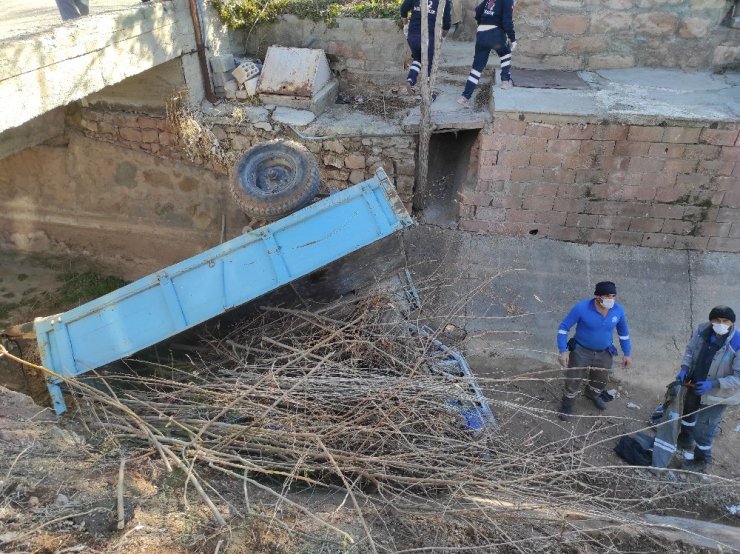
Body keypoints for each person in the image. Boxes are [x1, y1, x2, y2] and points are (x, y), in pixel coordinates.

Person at [673, 305, 740, 472]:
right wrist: (684, 368)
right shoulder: (703, 330)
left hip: (719, 393)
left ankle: (702, 459)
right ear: (711, 320)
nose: (721, 324)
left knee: (704, 428)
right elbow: (690, 351)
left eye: (725, 321)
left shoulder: (737, 342)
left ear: (732, 323)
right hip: (696, 382)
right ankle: (685, 439)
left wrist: (714, 384)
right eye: (717, 320)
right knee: (689, 410)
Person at [556, 281, 632, 420]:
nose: (611, 299)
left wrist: (627, 353)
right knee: (573, 379)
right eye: (608, 296)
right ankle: (567, 405)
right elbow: (563, 327)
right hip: (581, 351)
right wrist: (562, 350)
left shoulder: (618, 310)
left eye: (613, 296)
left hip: (605, 352)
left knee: (601, 379)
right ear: (598, 296)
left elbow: (624, 333)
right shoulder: (581, 308)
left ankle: (592, 394)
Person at [456, 0, 516, 109]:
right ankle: (505, 81)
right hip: (496, 34)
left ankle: (464, 97)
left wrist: (482, 23)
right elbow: (507, 21)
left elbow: (478, 11)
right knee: (506, 53)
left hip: (481, 35)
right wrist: (513, 39)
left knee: (477, 68)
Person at [400, 0, 452, 95]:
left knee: (417, 59)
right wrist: (443, 37)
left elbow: (403, 9)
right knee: (429, 64)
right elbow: (447, 22)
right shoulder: (445, 1)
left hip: (413, 35)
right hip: (429, 37)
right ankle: (427, 91)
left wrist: (405, 23)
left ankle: (410, 80)